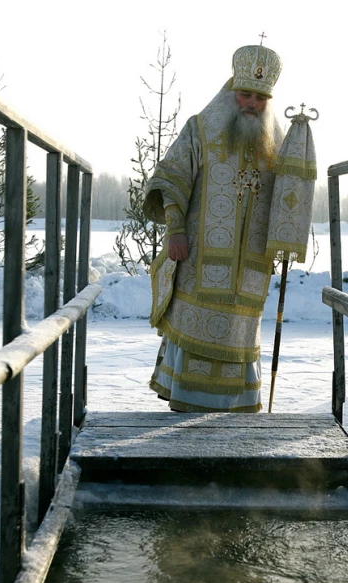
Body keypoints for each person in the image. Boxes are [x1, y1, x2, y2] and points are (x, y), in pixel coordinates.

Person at [144, 44, 284, 412]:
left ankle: (235, 408)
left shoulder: (276, 145)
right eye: (245, 94)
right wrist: (175, 230)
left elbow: (291, 197)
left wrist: (286, 239)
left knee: (240, 332)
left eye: (260, 97)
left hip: (250, 263)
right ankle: (186, 403)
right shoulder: (201, 129)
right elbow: (172, 179)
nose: (251, 103)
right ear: (230, 91)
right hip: (199, 254)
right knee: (196, 325)